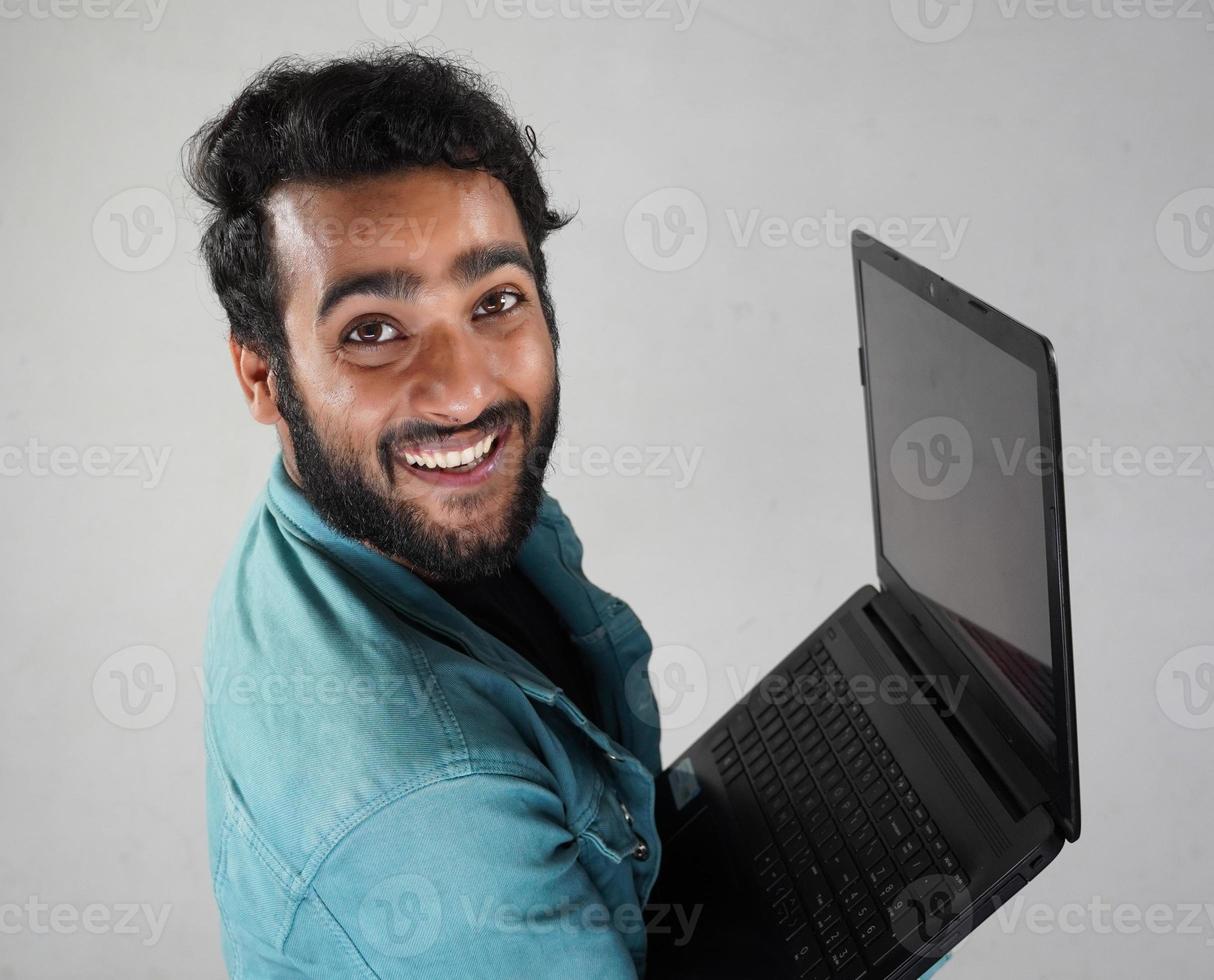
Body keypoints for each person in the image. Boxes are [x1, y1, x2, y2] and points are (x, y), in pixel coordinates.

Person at [186, 48, 662, 977]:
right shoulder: (434, 817)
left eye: (496, 302)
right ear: (262, 375)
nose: (461, 391)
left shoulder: (335, 519)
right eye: (372, 331)